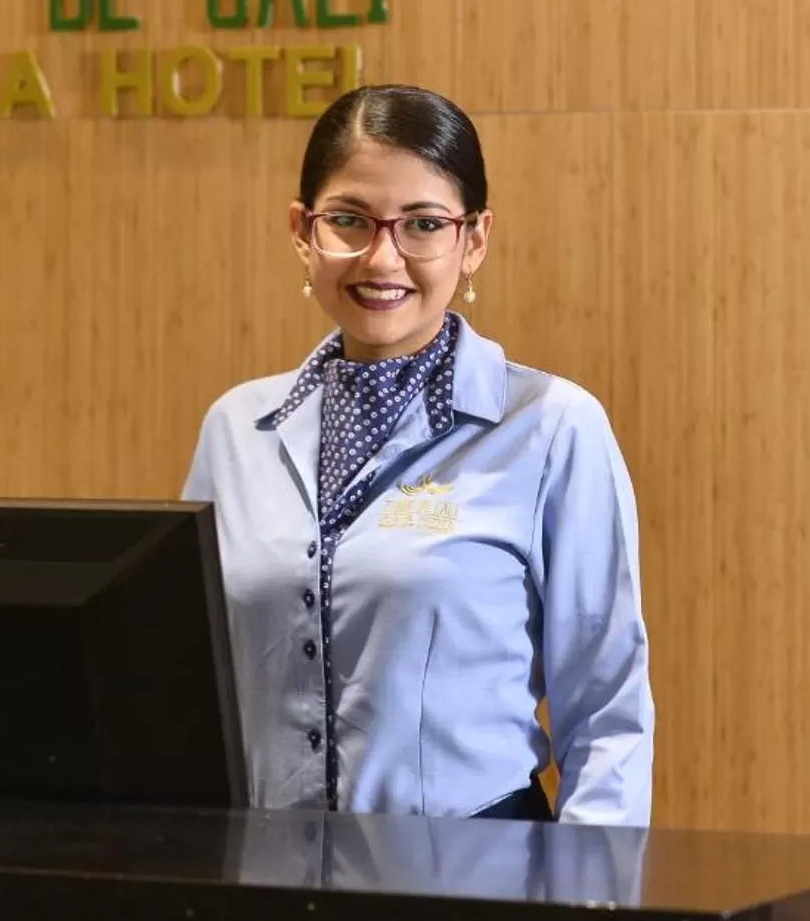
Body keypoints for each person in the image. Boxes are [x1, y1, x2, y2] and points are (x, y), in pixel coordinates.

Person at [180, 85, 654, 824]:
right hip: (264, 865)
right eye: (349, 220)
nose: (382, 257)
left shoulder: (552, 427)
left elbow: (608, 713)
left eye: (424, 225)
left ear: (475, 240)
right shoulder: (236, 428)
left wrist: (590, 881)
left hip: (480, 867)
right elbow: (192, 683)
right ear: (303, 231)